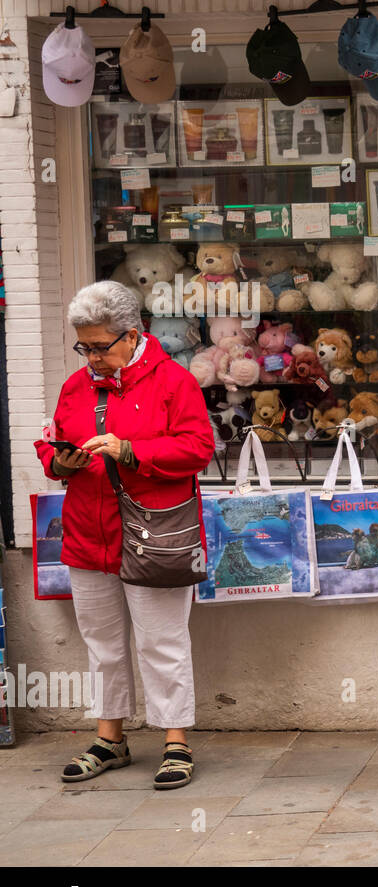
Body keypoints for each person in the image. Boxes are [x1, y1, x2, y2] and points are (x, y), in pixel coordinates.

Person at [34, 280, 214, 790]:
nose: (90, 357)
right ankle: (109, 738)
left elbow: (198, 448)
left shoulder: (174, 382)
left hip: (152, 533)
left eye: (99, 346)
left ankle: (176, 740)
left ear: (132, 336)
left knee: (162, 642)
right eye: (83, 346)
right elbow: (52, 445)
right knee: (103, 645)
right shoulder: (76, 386)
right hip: (88, 532)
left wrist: (131, 451)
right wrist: (58, 460)